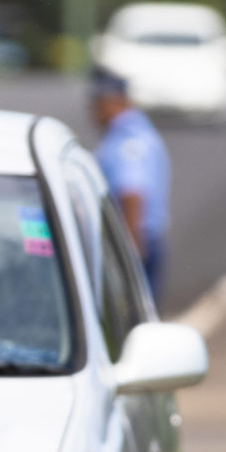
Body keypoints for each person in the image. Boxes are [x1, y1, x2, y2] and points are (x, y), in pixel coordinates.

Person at [89, 67, 171, 301]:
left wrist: (129, 255)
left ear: (111, 102)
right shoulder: (140, 132)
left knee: (132, 322)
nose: (94, 114)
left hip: (132, 242)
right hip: (141, 241)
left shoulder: (127, 140)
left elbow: (132, 193)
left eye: (96, 105)